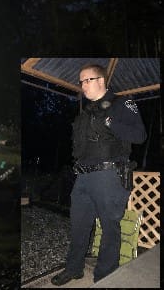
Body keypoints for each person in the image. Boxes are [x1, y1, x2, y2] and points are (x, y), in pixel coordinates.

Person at [51, 64, 147, 286]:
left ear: (101, 80)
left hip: (109, 176)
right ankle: (74, 269)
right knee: (78, 226)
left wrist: (110, 122)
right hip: (83, 177)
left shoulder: (124, 103)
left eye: (88, 80)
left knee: (109, 227)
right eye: (81, 81)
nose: (83, 85)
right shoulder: (87, 112)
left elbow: (140, 135)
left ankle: (105, 276)